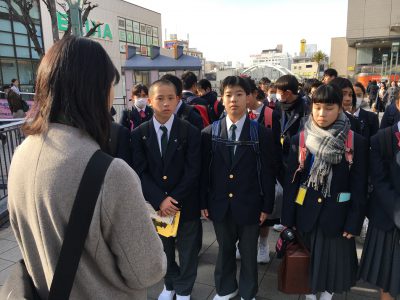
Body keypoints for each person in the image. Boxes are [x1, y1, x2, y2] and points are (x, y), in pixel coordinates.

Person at [7, 36, 166, 300]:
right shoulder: (111, 173)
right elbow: (148, 270)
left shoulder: (21, 154)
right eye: (109, 86)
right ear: (95, 92)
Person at [282, 84, 368, 300]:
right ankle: (310, 296)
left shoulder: (354, 142)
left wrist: (354, 222)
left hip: (337, 216)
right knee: (307, 263)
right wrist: (288, 219)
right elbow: (291, 183)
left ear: (340, 108)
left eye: (329, 108)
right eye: (317, 107)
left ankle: (327, 296)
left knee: (331, 266)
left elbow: (359, 186)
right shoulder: (300, 140)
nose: (322, 114)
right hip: (306, 213)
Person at [201, 76, 276, 300]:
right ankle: (225, 288)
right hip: (220, 203)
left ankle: (247, 292)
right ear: (222, 99)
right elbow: (204, 173)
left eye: (239, 94)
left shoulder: (260, 133)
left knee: (248, 251)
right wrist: (204, 202)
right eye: (228, 95)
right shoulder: (209, 133)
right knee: (223, 250)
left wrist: (267, 205)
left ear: (249, 98)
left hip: (251, 204)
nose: (233, 99)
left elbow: (268, 172)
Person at [131, 79, 202, 300]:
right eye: (160, 98)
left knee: (189, 250)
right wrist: (160, 199)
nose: (165, 103)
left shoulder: (190, 131)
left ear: (178, 99)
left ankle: (184, 289)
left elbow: (193, 170)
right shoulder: (139, 133)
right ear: (150, 101)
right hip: (157, 207)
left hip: (185, 203)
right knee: (163, 249)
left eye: (171, 98)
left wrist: (173, 198)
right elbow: (139, 172)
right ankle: (169, 284)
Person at [358, 93, 400, 300]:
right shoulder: (382, 139)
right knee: (388, 280)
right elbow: (379, 181)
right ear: (399, 104)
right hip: (388, 218)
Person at [274, 74, 309, 169]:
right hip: (279, 153)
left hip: (296, 154)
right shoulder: (278, 105)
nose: (276, 93)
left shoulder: (305, 108)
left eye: (278, 91)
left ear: (288, 93)